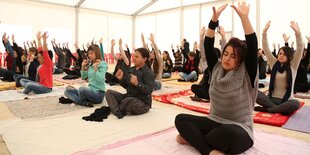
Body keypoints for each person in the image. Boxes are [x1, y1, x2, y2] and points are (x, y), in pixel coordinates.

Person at [175, 2, 258, 154]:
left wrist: (244, 18)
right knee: (180, 119)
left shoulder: (247, 72)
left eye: (233, 56)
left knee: (228, 134)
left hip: (239, 129)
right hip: (214, 121)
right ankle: (208, 150)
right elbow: (208, 44)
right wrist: (213, 21)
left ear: (240, 60)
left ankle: (194, 139)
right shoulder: (216, 68)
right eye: (225, 54)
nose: (227, 58)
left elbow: (252, 44)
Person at [255, 20, 303, 115]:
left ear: (289, 56)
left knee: (296, 104)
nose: (281, 55)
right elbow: (266, 49)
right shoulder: (274, 63)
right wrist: (264, 34)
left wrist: (298, 34)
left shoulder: (293, 65)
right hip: (271, 99)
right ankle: (277, 109)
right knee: (255, 93)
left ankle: (269, 110)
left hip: (286, 101)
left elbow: (300, 47)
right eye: (280, 53)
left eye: (284, 54)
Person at [105, 47, 155, 119]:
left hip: (142, 102)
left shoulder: (148, 72)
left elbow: (149, 90)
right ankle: (117, 111)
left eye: (137, 57)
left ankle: (116, 107)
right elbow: (126, 86)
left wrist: (137, 84)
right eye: (134, 56)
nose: (134, 58)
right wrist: (121, 79)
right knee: (108, 93)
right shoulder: (131, 69)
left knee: (127, 101)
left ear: (145, 59)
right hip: (128, 97)